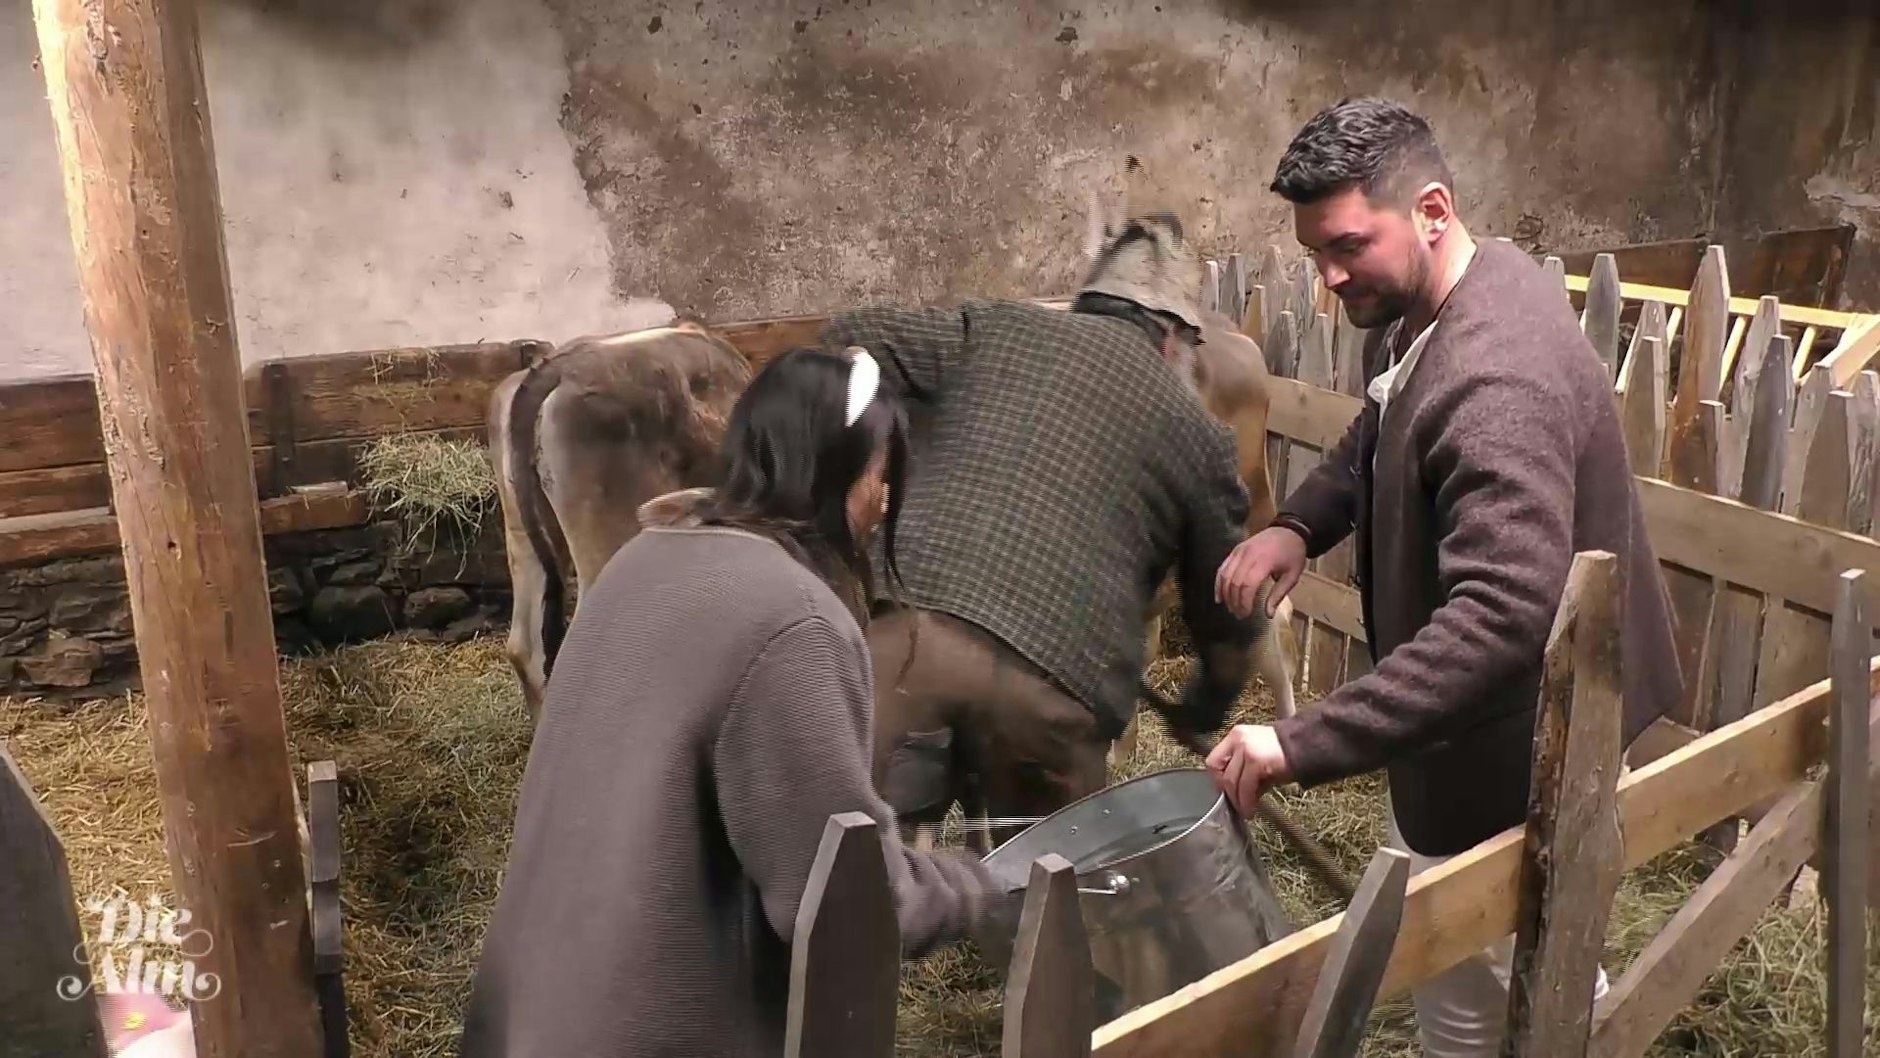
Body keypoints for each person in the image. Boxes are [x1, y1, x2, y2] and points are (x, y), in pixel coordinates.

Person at [1206, 98, 1683, 1057]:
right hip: (1466, 737)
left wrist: (1299, 742)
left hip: (1525, 752)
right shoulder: (1443, 294)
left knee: (1524, 985)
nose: (1329, 276)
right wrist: (1300, 525)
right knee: (1476, 965)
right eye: (1314, 253)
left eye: (1347, 246)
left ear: (1431, 210)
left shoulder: (1495, 379)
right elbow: (1384, 420)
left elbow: (1504, 618)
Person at [457, 345, 1006, 1058]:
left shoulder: (640, 560)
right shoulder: (792, 621)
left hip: (525, 1020)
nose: (885, 502)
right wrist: (980, 885)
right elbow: (844, 897)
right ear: (837, 471)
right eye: (881, 475)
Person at [819, 209, 1268, 852]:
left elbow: (848, 334)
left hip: (910, 646)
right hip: (1053, 695)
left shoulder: (993, 328)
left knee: (864, 861)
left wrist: (899, 447)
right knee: (1044, 888)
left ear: (1086, 304)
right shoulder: (1199, 434)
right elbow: (1229, 606)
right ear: (1175, 340)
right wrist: (1204, 704)